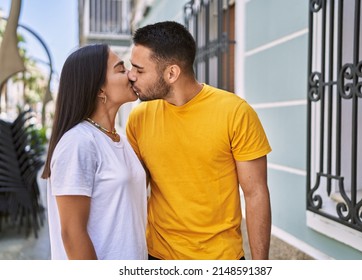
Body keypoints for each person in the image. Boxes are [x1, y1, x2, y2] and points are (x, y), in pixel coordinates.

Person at [126, 21, 272, 260]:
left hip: (220, 258)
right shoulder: (139, 119)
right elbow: (133, 191)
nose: (131, 76)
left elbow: (255, 193)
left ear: (172, 73)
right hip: (157, 255)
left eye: (140, 70)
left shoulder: (235, 113)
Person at [41, 44, 147, 260]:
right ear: (100, 89)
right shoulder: (78, 143)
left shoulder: (120, 140)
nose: (131, 74)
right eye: (120, 69)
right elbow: (72, 234)